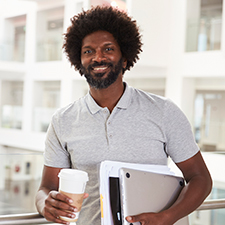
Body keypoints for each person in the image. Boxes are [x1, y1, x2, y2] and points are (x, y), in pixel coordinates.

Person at [35, 6, 212, 225]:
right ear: (79, 62)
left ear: (125, 58)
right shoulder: (62, 121)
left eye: (108, 49)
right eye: (88, 51)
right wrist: (45, 204)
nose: (98, 57)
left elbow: (201, 179)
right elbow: (46, 188)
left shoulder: (164, 111)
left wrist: (167, 217)